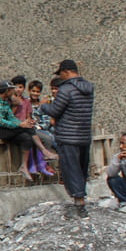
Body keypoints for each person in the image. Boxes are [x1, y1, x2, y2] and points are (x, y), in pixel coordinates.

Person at [38, 58, 95, 219]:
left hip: (68, 135)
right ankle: (81, 197)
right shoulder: (88, 88)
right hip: (84, 134)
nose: (60, 78)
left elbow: (56, 111)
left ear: (66, 72)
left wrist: (43, 106)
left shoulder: (66, 89)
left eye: (61, 74)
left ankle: (79, 204)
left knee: (71, 169)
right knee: (82, 169)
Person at [0, 80, 41, 183]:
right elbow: (0, 122)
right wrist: (20, 125)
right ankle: (44, 151)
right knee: (26, 129)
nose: (13, 91)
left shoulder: (6, 102)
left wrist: (22, 123)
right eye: (11, 90)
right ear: (6, 91)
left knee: (26, 137)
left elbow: (11, 118)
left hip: (7, 129)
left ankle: (24, 166)